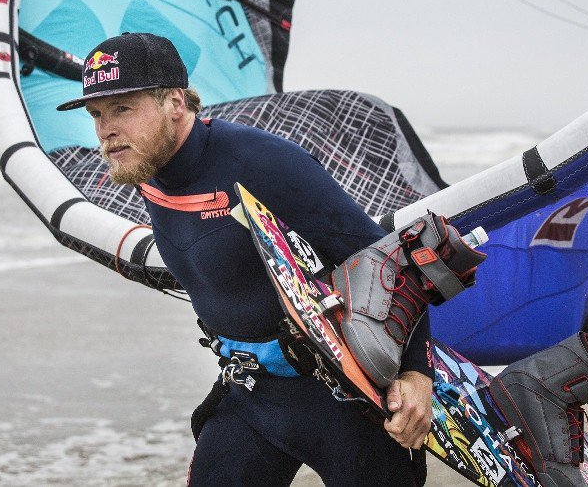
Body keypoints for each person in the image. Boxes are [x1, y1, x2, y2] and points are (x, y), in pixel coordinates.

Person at [56, 32, 433, 486]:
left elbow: (384, 259)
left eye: (122, 109)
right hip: (250, 395)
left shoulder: (261, 163)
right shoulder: (145, 168)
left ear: (175, 102)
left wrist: (416, 374)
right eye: (97, 114)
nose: (104, 130)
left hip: (339, 398)